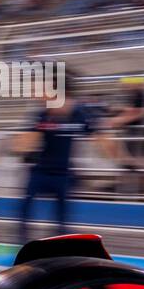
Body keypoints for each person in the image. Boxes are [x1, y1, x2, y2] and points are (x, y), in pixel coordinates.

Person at [17, 81, 95, 243]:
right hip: (41, 171)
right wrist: (24, 146)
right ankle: (22, 246)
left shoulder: (79, 114)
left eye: (42, 91)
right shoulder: (41, 115)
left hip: (63, 173)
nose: (38, 95)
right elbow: (24, 143)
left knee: (62, 220)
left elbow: (99, 136)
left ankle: (61, 247)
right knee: (24, 212)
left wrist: (125, 159)